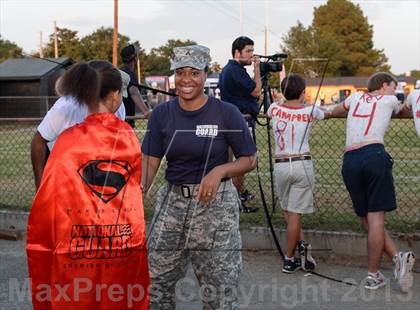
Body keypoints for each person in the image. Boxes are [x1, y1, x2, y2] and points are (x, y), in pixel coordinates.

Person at [26, 60, 149, 309]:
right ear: (115, 95)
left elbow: (53, 196)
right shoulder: (127, 135)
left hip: (75, 236)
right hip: (117, 236)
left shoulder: (67, 140)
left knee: (78, 291)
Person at [142, 45, 257, 309]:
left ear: (205, 75)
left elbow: (250, 158)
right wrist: (138, 192)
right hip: (172, 206)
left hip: (215, 207)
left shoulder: (226, 112)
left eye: (194, 72)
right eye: (180, 72)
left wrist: (220, 170)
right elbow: (150, 162)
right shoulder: (162, 115)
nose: (186, 79)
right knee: (156, 285)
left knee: (220, 289)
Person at [331, 72, 415, 291]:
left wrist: (328, 113)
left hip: (350, 159)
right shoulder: (389, 100)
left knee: (366, 219)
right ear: (384, 85)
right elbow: (406, 109)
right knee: (376, 219)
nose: (394, 91)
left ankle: (397, 258)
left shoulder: (356, 98)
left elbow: (336, 110)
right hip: (374, 154)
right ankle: (373, 274)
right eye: (392, 87)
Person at [267, 74, 329, 273]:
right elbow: (326, 113)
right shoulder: (311, 110)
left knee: (288, 211)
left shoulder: (274, 108)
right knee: (293, 214)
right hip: (302, 163)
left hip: (282, 164)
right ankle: (289, 258)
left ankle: (301, 245)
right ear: (303, 93)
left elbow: (271, 107)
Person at [30, 70, 128, 189]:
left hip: (95, 174)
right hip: (64, 175)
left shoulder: (120, 108)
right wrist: (40, 186)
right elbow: (38, 141)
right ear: (115, 94)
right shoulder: (66, 106)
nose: (120, 100)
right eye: (121, 95)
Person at [219, 36, 261, 213]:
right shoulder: (234, 70)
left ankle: (239, 198)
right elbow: (257, 90)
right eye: (248, 51)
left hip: (237, 119)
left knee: (239, 162)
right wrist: (258, 69)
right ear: (237, 52)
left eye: (252, 51)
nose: (252, 55)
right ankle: (238, 198)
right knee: (244, 161)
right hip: (239, 121)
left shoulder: (233, 70)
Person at [120, 44, 150, 127]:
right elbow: (134, 93)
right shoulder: (130, 75)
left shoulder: (119, 72)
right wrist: (146, 112)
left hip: (119, 120)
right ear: (135, 58)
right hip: (125, 123)